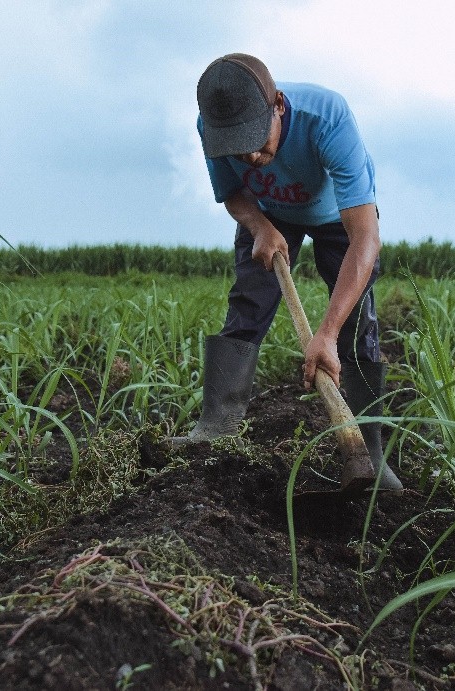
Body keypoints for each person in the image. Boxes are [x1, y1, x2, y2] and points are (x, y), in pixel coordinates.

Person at [168, 53, 401, 491]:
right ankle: (216, 428)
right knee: (248, 305)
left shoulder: (327, 117)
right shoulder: (212, 126)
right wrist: (258, 226)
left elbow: (365, 239)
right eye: (239, 148)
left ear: (278, 104)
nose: (253, 157)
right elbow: (233, 193)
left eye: (258, 140)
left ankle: (369, 451)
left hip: (338, 217)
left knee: (355, 324)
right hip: (269, 213)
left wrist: (326, 333)